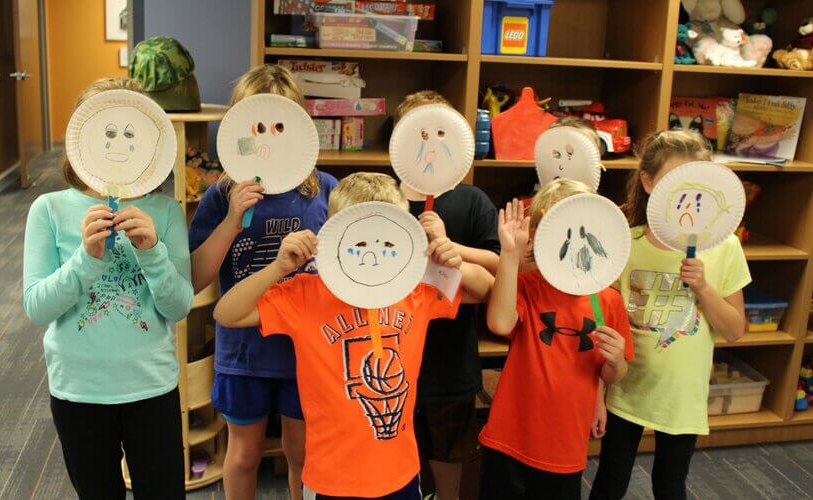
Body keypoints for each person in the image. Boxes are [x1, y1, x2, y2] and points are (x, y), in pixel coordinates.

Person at [213, 172, 495, 499]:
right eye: (359, 242)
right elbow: (226, 313)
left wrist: (451, 258)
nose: (371, 253)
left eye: (387, 242)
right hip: (328, 477)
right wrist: (277, 268)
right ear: (333, 233)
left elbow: (486, 287)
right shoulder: (307, 293)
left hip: (399, 472)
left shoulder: (414, 288)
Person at [22, 77, 192, 499]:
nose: (118, 144)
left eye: (130, 133)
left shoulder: (165, 211)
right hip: (78, 388)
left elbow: (179, 306)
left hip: (151, 385)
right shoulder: (49, 209)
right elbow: (37, 307)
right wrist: (85, 259)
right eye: (107, 133)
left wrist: (152, 251)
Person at [188, 64, 337, 499]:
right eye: (258, 128)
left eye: (280, 125)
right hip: (244, 350)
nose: (269, 139)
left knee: (302, 452)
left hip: (305, 352)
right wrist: (233, 218)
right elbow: (196, 278)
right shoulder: (220, 195)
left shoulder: (323, 189)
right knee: (244, 454)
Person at [590, 130, 751, 500]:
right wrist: (598, 394)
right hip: (626, 389)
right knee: (610, 480)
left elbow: (734, 330)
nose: (685, 198)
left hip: (681, 396)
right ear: (648, 182)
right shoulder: (625, 244)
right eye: (671, 183)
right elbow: (606, 329)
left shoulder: (724, 248)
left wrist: (704, 288)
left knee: (670, 484)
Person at [480, 179, 633, 500]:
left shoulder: (609, 301)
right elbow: (499, 321)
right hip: (510, 434)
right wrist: (509, 255)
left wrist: (616, 362)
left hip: (564, 444)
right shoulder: (529, 284)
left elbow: (611, 372)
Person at [396, 90, 500, 500]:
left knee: (450, 454)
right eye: (419, 135)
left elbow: (497, 262)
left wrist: (452, 247)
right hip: (399, 353)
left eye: (440, 134)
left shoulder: (473, 201)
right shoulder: (388, 196)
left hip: (452, 358)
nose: (430, 144)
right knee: (404, 453)